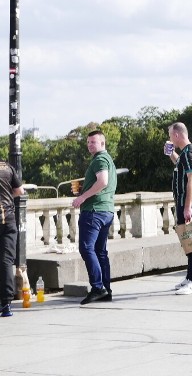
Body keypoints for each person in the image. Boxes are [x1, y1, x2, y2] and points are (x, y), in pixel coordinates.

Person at [72, 130, 118, 305]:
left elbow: (103, 181)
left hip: (94, 211)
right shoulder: (107, 160)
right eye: (88, 142)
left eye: (93, 142)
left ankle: (98, 288)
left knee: (86, 248)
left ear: (102, 143)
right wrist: (84, 188)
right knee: (100, 251)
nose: (90, 145)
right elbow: (102, 183)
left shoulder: (100, 159)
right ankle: (106, 290)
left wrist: (82, 197)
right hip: (106, 210)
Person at [167, 122, 192, 295]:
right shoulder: (188, 152)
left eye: (170, 135)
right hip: (185, 202)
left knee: (191, 240)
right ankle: (190, 277)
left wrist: (188, 206)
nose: (169, 138)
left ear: (176, 135)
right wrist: (170, 155)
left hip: (188, 202)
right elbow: (180, 165)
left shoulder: (189, 153)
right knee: (188, 240)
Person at [0, 160, 23, 317]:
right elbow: (20, 191)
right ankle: (6, 304)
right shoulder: (8, 167)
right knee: (7, 262)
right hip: (8, 219)